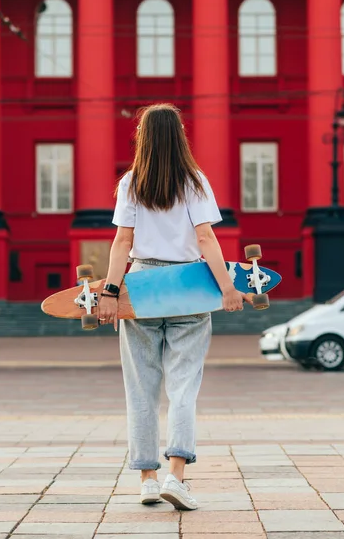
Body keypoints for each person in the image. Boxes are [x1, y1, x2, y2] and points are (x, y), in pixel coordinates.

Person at [98, 103, 250, 511]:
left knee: (141, 389)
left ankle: (148, 479)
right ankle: (175, 476)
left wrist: (110, 293)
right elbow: (205, 239)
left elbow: (122, 244)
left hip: (143, 287)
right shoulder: (195, 181)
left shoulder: (131, 182)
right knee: (184, 386)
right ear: (180, 135)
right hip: (187, 287)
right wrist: (227, 288)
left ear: (142, 138)